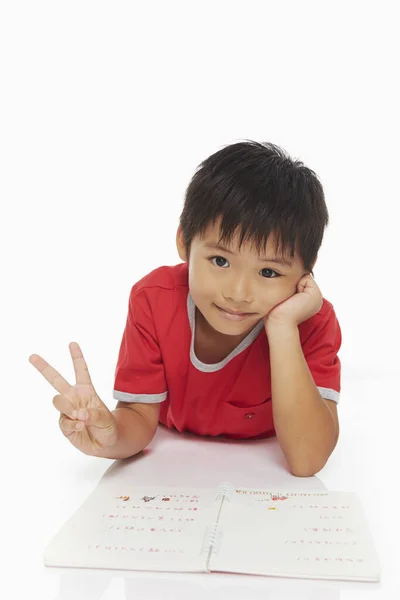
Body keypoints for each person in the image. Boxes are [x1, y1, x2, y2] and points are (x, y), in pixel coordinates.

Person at [29, 140, 342, 477]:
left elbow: (308, 460)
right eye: (220, 260)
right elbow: (138, 418)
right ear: (184, 242)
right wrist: (109, 435)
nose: (238, 293)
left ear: (307, 271)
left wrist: (282, 327)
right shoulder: (154, 299)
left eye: (269, 272)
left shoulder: (313, 321)